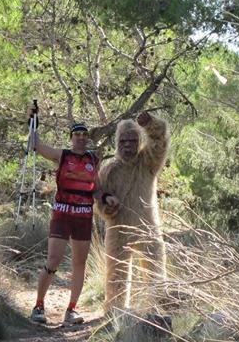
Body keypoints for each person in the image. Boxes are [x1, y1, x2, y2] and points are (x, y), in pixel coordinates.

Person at [29, 119, 118, 325]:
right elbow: (38, 146)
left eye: (84, 135)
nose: (81, 138)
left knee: (80, 263)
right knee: (53, 260)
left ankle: (71, 310)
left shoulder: (93, 159)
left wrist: (105, 198)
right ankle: (39, 305)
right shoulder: (63, 155)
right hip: (62, 214)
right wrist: (32, 123)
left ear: (88, 138)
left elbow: (95, 188)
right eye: (77, 135)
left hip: (84, 217)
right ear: (71, 138)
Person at [95, 111, 169, 313]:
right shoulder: (109, 170)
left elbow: (160, 139)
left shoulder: (148, 162)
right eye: (123, 141)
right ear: (117, 142)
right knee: (116, 273)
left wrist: (150, 123)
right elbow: (99, 199)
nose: (128, 145)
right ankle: (115, 313)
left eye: (132, 140)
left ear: (139, 141)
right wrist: (106, 208)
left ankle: (158, 312)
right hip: (118, 227)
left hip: (148, 226)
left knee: (156, 272)